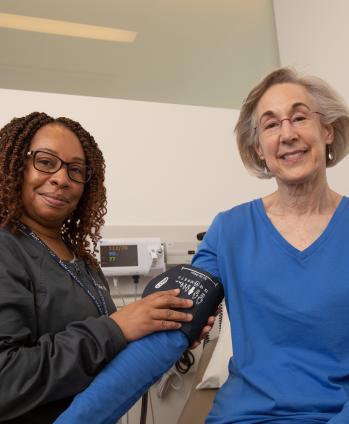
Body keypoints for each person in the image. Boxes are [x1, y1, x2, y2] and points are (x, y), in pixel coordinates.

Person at [0, 112, 211, 423]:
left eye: (76, 170)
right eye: (45, 161)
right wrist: (116, 327)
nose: (61, 178)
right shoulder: (7, 249)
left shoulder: (82, 262)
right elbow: (7, 379)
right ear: (14, 165)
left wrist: (162, 334)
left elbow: (99, 361)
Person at [192, 68, 349, 423]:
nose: (288, 134)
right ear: (258, 148)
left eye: (299, 117)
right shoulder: (228, 230)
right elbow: (176, 320)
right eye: (271, 124)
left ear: (327, 130)